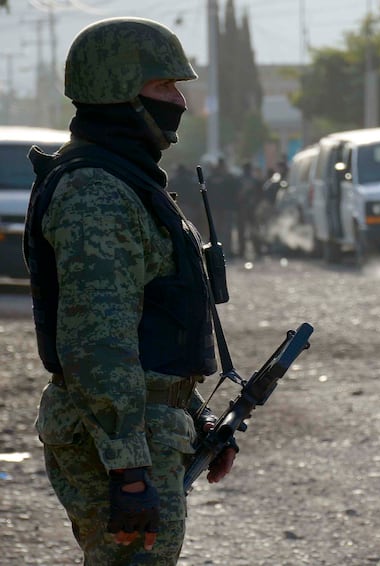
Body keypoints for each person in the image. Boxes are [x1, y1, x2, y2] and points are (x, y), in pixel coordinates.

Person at [23, 17, 236, 565]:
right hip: (117, 441)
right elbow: (98, 344)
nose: (180, 101)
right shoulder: (96, 192)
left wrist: (193, 413)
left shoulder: (127, 182)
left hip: (140, 432)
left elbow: (151, 331)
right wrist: (129, 471)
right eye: (164, 86)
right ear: (119, 90)